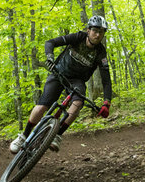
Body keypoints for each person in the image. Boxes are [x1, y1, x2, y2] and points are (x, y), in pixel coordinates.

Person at [10, 15, 113, 154]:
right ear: (88, 30)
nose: (98, 34)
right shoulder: (78, 37)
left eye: (101, 32)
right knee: (42, 106)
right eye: (95, 30)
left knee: (78, 103)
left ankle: (57, 135)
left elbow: (106, 79)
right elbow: (50, 42)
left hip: (77, 81)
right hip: (59, 73)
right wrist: (50, 57)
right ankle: (24, 135)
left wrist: (107, 102)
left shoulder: (101, 52)